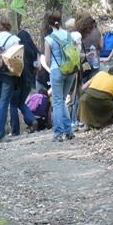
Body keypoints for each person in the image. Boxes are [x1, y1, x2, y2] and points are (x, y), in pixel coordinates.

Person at [42, 10, 76, 142]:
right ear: (61, 21)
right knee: (62, 101)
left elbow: (47, 60)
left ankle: (58, 133)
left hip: (57, 71)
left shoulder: (49, 39)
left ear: (49, 23)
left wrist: (52, 68)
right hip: (71, 71)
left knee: (57, 102)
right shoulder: (69, 36)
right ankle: (69, 131)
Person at [8, 29, 41, 136]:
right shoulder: (35, 51)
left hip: (17, 80)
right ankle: (32, 120)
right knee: (21, 103)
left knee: (13, 104)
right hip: (29, 80)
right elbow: (39, 67)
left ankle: (15, 130)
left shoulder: (17, 49)